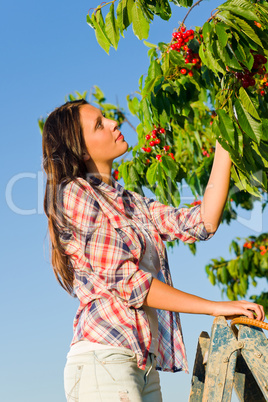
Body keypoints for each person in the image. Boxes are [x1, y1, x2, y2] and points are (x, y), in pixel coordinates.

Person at [42, 99, 265, 402]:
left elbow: (201, 223)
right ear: (80, 150)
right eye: (99, 124)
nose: (112, 123)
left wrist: (225, 140)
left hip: (142, 363)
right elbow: (133, 284)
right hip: (104, 360)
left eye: (106, 117)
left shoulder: (130, 202)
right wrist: (215, 306)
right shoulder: (74, 194)